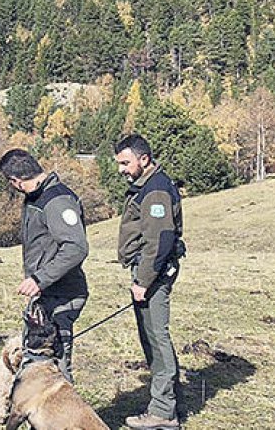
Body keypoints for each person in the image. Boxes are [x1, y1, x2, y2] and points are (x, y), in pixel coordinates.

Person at [0, 148, 90, 382]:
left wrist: (40, 279)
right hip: (46, 293)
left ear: (16, 181)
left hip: (62, 293)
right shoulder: (36, 198)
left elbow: (76, 247)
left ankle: (64, 416)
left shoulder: (57, 201)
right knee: (37, 363)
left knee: (54, 367)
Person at [115, 134, 185, 430]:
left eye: (125, 162)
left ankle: (163, 412)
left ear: (144, 159)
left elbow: (161, 240)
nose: (120, 169)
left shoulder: (155, 190)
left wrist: (143, 281)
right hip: (148, 271)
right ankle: (168, 400)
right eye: (119, 163)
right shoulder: (145, 186)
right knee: (152, 337)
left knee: (157, 337)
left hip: (153, 274)